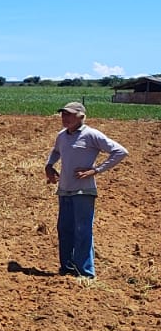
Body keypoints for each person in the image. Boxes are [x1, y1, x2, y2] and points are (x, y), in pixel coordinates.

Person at [43, 101, 127, 278]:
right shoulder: (62, 135)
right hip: (64, 189)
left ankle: (86, 272)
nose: (65, 118)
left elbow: (120, 151)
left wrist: (96, 170)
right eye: (63, 114)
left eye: (69, 114)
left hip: (84, 191)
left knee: (82, 230)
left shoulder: (91, 135)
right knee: (64, 229)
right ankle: (67, 267)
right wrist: (49, 165)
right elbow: (56, 151)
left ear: (81, 116)